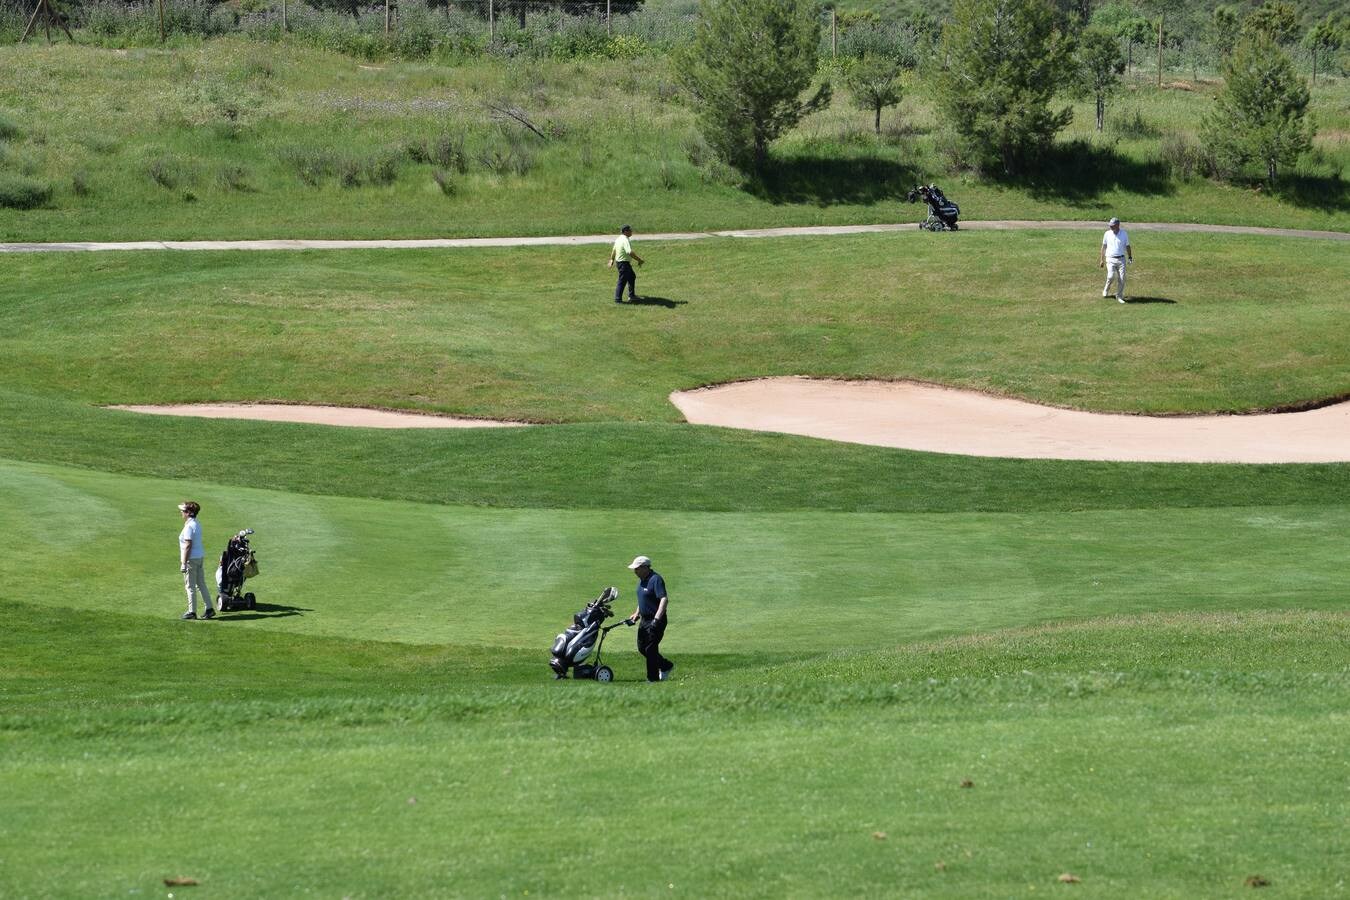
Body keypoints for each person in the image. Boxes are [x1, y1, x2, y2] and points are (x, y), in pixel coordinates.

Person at [623, 555, 674, 682]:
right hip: (644, 620)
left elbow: (664, 599)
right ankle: (665, 665)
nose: (635, 571)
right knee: (642, 648)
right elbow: (644, 599)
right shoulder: (642, 580)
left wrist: (656, 619)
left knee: (650, 649)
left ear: (645, 568)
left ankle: (652, 679)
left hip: (656, 620)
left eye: (637, 569)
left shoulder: (656, 579)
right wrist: (637, 613)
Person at [177, 500, 216, 620]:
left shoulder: (189, 526)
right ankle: (209, 608)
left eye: (183, 511)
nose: (181, 513)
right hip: (199, 557)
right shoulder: (196, 523)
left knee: (190, 586)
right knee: (201, 584)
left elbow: (188, 545)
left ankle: (191, 611)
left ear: (189, 512)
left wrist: (184, 562)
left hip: (191, 559)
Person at [606, 224, 644, 304]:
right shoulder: (625, 240)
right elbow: (629, 252)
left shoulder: (619, 239)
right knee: (622, 281)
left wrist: (612, 260)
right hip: (623, 264)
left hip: (621, 263)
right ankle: (618, 299)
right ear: (626, 231)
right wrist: (639, 260)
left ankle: (632, 296)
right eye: (630, 230)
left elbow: (614, 250)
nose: (631, 232)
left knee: (632, 276)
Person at [1099, 216, 1133, 303]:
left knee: (1122, 278)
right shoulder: (1107, 234)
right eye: (1110, 225)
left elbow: (1127, 246)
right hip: (1110, 259)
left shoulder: (1124, 234)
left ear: (1118, 225)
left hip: (1121, 259)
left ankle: (1119, 296)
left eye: (1112, 225)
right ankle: (1106, 289)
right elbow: (1103, 247)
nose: (1110, 227)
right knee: (1110, 276)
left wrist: (1130, 257)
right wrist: (1101, 260)